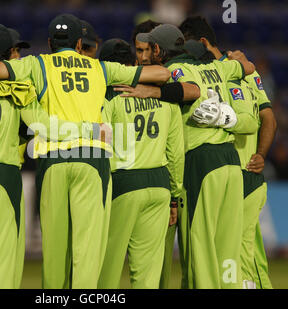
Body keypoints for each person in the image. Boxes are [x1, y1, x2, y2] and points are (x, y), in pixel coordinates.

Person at [0, 13, 171, 288]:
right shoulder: (100, 68)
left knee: (54, 246)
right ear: (78, 43)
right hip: (91, 157)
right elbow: (162, 73)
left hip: (54, 159)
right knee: (87, 248)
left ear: (50, 42)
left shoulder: (37, 64)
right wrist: (149, 90)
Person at [114, 23, 255, 288]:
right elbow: (248, 67)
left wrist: (152, 91)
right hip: (231, 162)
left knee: (199, 249)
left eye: (150, 49)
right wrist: (239, 59)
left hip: (201, 162)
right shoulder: (217, 67)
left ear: (158, 49)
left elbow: (190, 90)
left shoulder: (175, 70)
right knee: (227, 250)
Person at [179, 15, 277, 289]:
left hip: (241, 173)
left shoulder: (231, 71)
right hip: (229, 172)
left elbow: (261, 119)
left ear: (200, 43)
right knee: (227, 258)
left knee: (242, 258)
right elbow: (267, 116)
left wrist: (260, 154)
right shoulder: (235, 69)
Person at [97, 38, 184, 289]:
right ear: (134, 63)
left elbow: (100, 145)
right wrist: (174, 197)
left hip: (122, 184)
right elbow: (176, 152)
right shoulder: (163, 96)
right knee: (147, 274)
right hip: (159, 185)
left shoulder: (108, 97)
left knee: (107, 267)